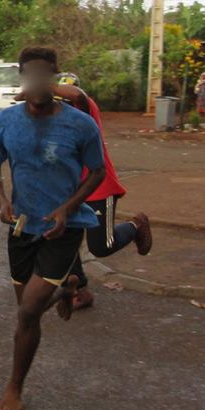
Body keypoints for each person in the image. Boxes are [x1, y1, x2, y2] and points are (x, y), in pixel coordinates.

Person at [0, 47, 107, 410]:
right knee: (28, 310)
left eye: (44, 74)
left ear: (54, 78)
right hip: (22, 228)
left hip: (63, 229)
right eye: (31, 73)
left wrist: (68, 208)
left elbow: (97, 172)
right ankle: (68, 287)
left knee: (27, 314)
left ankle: (14, 389)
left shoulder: (81, 125)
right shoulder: (4, 122)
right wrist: (3, 200)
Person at [48, 83, 153, 317]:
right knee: (61, 239)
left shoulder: (84, 110)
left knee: (101, 246)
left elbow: (77, 95)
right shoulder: (53, 120)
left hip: (98, 188)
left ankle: (136, 226)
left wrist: (41, 86)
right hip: (71, 193)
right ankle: (81, 291)